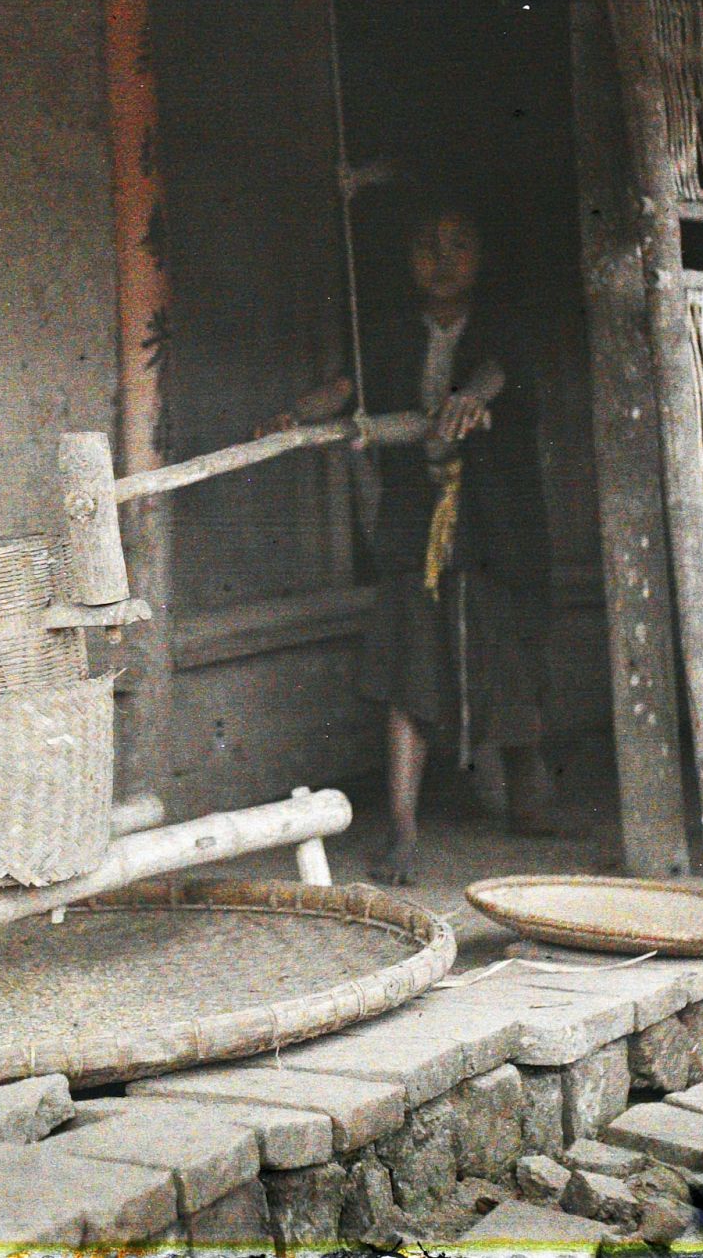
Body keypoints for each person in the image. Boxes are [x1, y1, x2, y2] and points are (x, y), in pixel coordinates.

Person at [260, 186, 550, 885]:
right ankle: (404, 825)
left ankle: (531, 802)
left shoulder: (500, 328)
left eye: (458, 246)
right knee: (409, 660)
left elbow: (494, 374)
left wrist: (473, 398)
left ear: (481, 257)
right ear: (406, 259)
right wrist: (298, 414)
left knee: (506, 648)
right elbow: (345, 388)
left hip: (490, 518)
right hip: (414, 519)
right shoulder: (390, 331)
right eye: (427, 246)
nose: (442, 260)